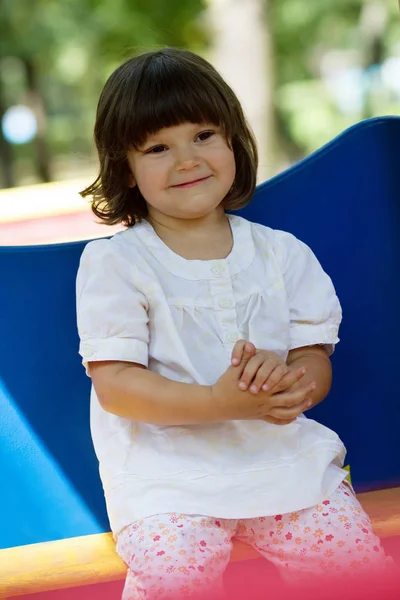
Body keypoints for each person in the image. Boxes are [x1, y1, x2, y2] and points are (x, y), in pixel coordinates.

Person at [76, 48, 391, 600]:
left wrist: (296, 384)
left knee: (349, 564)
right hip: (170, 484)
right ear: (125, 167)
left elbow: (314, 360)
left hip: (283, 469)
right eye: (157, 147)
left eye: (203, 135)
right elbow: (117, 386)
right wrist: (220, 402)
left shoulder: (281, 254)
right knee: (178, 576)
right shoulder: (116, 264)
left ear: (233, 140)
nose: (187, 160)